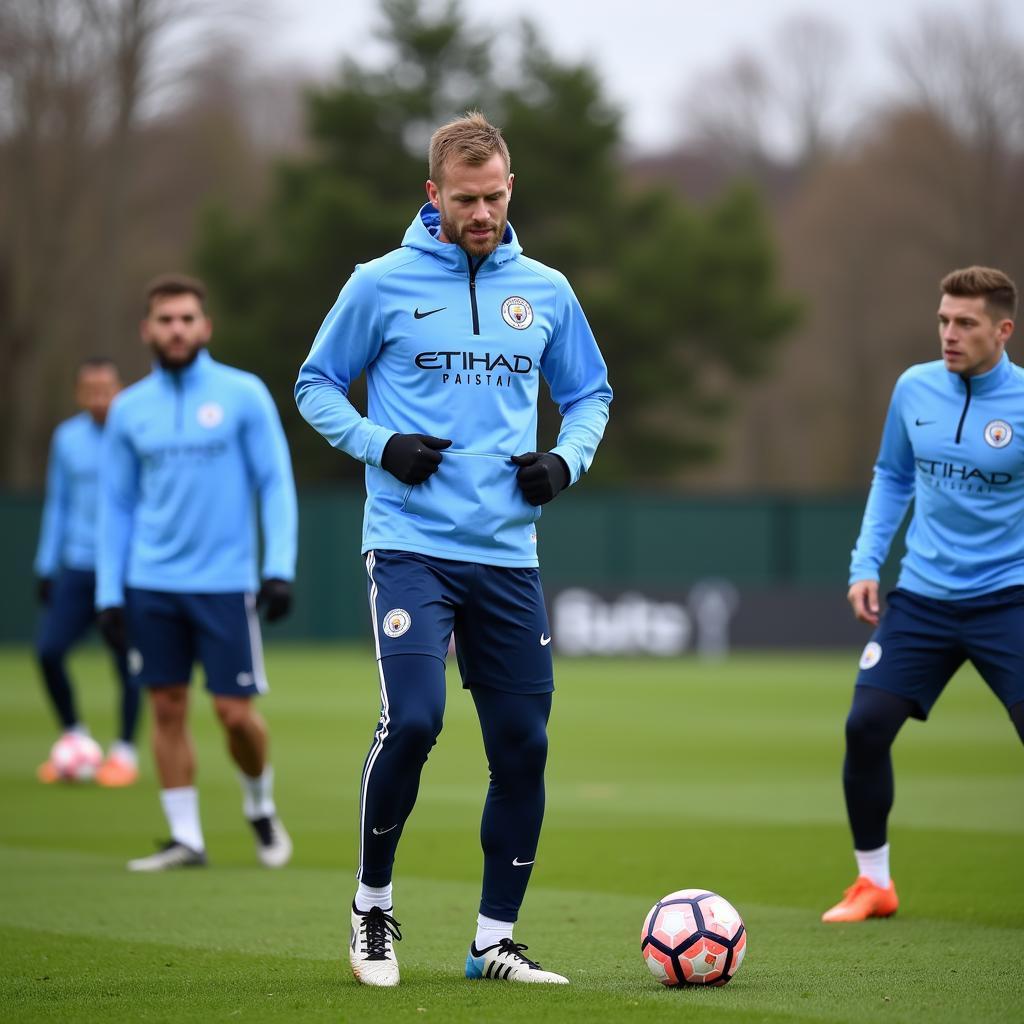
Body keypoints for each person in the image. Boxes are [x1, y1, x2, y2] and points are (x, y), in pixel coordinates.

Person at [296, 112, 612, 986]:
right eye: (466, 199)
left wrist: (564, 459)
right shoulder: (380, 283)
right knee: (419, 720)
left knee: (523, 747)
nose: (483, 213)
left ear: (512, 189)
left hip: (508, 554)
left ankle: (492, 944)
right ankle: (371, 908)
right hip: (410, 546)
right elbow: (315, 384)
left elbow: (590, 393)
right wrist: (378, 444)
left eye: (496, 197)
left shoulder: (545, 290)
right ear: (432, 196)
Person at [824, 266, 1024, 923]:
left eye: (965, 323)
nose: (949, 333)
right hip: (925, 598)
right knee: (865, 727)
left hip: (1009, 599)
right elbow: (892, 475)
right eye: (943, 319)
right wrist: (865, 564)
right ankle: (873, 884)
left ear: (1003, 330)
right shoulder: (913, 388)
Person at [96, 273, 299, 872]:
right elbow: (116, 506)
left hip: (225, 582)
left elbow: (275, 484)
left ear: (205, 327)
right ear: (147, 330)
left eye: (187, 318)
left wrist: (278, 567)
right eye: (165, 320)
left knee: (234, 715)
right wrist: (111, 593)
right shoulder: (129, 409)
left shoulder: (243, 394)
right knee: (165, 706)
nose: (177, 329)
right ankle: (187, 838)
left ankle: (259, 805)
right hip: (151, 581)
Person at [34, 358, 141, 786]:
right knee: (48, 651)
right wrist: (46, 564)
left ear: (120, 390)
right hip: (78, 565)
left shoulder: (134, 432)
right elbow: (58, 502)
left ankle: (124, 753)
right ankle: (74, 738)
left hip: (127, 568)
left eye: (107, 389)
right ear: (80, 394)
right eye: (91, 390)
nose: (100, 398)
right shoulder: (67, 439)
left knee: (128, 663)